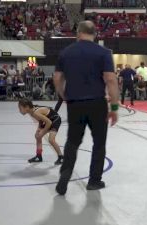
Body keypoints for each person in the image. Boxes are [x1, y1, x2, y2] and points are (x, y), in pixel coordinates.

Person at [53, 21, 119, 195]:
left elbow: (57, 78)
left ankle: (64, 175)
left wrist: (63, 95)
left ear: (78, 32)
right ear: (94, 34)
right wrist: (114, 106)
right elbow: (111, 80)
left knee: (72, 141)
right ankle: (94, 181)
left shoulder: (66, 53)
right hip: (97, 104)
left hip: (75, 104)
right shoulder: (104, 53)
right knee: (99, 143)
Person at [18, 99, 64, 165]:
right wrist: (39, 129)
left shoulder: (35, 113)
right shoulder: (31, 111)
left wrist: (42, 132)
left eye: (20, 108)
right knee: (37, 136)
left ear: (27, 107)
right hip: (49, 119)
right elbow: (41, 120)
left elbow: (49, 122)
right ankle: (39, 156)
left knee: (51, 140)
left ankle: (61, 157)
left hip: (55, 119)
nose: (19, 110)